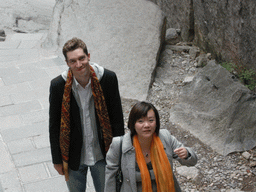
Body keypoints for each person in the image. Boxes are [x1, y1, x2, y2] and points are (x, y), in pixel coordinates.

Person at [49, 37, 124, 192]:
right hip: (73, 156)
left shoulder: (108, 78)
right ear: (67, 63)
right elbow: (54, 125)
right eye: (73, 61)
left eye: (81, 58)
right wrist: (57, 160)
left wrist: (119, 154)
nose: (78, 64)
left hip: (103, 154)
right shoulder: (58, 85)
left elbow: (117, 120)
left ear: (88, 56)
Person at [104, 101, 197, 192]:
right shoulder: (119, 144)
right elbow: (110, 178)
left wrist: (187, 154)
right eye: (140, 121)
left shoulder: (165, 137)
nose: (147, 125)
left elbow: (192, 161)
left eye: (151, 120)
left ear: (156, 122)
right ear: (133, 124)